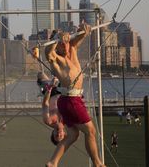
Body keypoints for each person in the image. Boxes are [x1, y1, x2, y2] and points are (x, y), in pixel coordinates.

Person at [44, 23, 105, 167]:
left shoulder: (72, 50)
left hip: (73, 100)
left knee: (73, 135)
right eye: (61, 44)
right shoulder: (57, 60)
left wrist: (84, 30)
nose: (65, 45)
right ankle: (98, 164)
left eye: (65, 43)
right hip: (70, 100)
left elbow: (78, 37)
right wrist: (55, 39)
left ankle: (53, 162)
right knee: (90, 130)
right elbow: (48, 53)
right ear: (57, 47)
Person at [38, 72, 66, 145]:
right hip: (63, 92)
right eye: (61, 136)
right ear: (64, 133)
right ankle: (55, 73)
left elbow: (45, 103)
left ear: (53, 133)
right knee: (64, 75)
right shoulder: (68, 122)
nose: (59, 134)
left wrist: (50, 86)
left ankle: (48, 77)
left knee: (40, 74)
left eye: (56, 135)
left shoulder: (48, 120)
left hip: (50, 92)